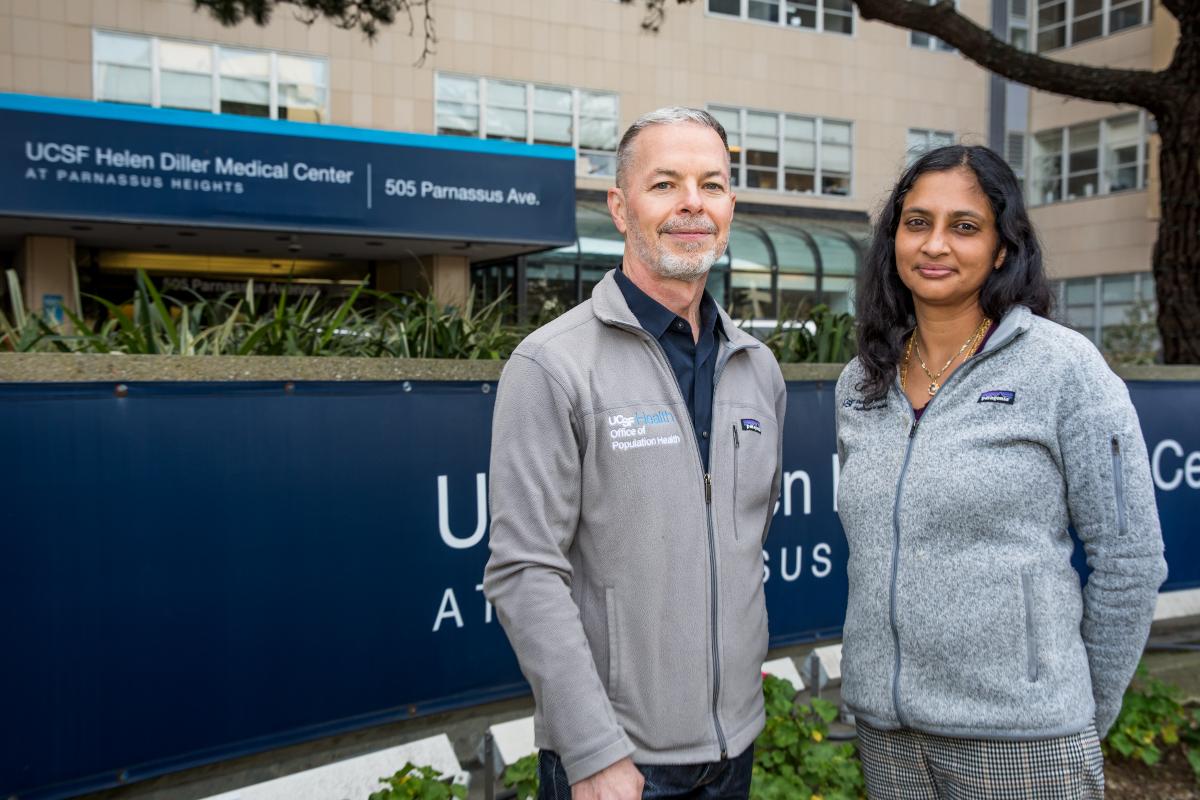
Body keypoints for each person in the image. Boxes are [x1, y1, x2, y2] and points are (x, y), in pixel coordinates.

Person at [834, 144, 1168, 799]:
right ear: (892, 240)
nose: (935, 244)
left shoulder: (1063, 369)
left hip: (1024, 744)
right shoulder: (862, 383)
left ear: (1003, 248)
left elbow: (1129, 557)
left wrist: (1075, 709)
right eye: (916, 222)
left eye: (964, 226)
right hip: (890, 740)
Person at [483, 107, 786, 800]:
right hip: (616, 762)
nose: (692, 204)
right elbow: (524, 572)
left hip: (734, 745)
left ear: (730, 205)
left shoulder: (757, 368)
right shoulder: (553, 364)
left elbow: (747, 539)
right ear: (620, 207)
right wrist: (591, 752)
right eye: (665, 184)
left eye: (712, 184)